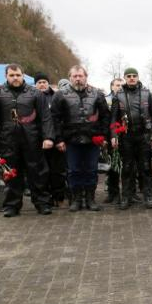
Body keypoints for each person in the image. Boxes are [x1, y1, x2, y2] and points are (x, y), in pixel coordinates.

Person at [0, 64, 54, 216]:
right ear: (6, 76)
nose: (15, 78)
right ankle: (12, 205)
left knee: (37, 173)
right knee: (11, 173)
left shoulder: (35, 93)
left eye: (18, 75)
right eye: (12, 75)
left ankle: (42, 203)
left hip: (32, 139)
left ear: (23, 75)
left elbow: (45, 117)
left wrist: (48, 137)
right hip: (7, 140)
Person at [50, 65, 111, 212]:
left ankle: (90, 199)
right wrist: (58, 140)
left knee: (91, 170)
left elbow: (105, 116)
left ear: (86, 77)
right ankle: (76, 199)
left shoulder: (97, 94)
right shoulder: (60, 95)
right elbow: (55, 119)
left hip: (92, 139)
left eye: (80, 76)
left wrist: (103, 136)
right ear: (70, 77)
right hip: (71, 140)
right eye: (75, 76)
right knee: (73, 170)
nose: (78, 79)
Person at [109, 68, 152, 209]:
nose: (132, 78)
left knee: (145, 167)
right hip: (126, 136)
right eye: (129, 76)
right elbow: (113, 118)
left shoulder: (146, 93)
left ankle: (148, 196)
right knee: (127, 168)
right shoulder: (118, 95)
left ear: (138, 77)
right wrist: (113, 135)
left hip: (143, 135)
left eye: (134, 76)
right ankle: (126, 197)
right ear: (125, 78)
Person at [35, 72, 68, 207]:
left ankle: (59, 197)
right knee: (42, 172)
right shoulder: (31, 97)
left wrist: (59, 139)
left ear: (48, 83)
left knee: (58, 171)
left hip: (56, 139)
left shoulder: (56, 97)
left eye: (44, 81)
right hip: (38, 140)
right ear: (35, 84)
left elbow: (61, 119)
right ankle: (45, 198)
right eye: (39, 82)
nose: (42, 84)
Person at [104, 78, 124, 204]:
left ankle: (129, 192)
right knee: (112, 166)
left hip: (124, 135)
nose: (119, 87)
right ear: (111, 87)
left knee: (126, 165)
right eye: (117, 85)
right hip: (109, 135)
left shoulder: (125, 98)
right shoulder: (106, 100)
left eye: (121, 85)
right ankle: (113, 192)